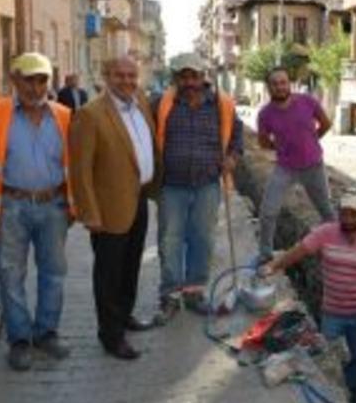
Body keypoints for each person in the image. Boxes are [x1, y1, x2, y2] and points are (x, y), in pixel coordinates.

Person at [0, 52, 74, 372]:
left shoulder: (64, 116)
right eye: (29, 79)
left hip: (53, 205)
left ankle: (46, 333)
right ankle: (19, 340)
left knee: (54, 273)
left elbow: (76, 164)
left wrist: (73, 204)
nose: (35, 86)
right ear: (15, 79)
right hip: (10, 206)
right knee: (10, 275)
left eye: (42, 80)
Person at [261, 192, 356, 395]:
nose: (347, 219)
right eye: (343, 213)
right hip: (333, 311)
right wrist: (273, 266)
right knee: (327, 354)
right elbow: (299, 251)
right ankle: (330, 392)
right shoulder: (326, 233)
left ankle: (349, 392)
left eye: (353, 214)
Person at [70, 57, 158, 360]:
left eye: (132, 75)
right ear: (105, 76)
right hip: (108, 209)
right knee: (108, 274)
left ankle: (124, 316)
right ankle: (111, 336)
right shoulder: (90, 114)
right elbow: (80, 170)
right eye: (119, 75)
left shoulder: (141, 103)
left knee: (131, 266)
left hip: (139, 199)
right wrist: (89, 213)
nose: (126, 81)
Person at [154, 54, 243, 322]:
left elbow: (237, 138)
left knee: (202, 240)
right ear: (176, 78)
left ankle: (193, 292)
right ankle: (170, 295)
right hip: (172, 186)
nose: (190, 82)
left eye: (194, 76)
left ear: (203, 76)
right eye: (184, 76)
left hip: (207, 185)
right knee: (169, 241)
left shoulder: (221, 105)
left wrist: (232, 158)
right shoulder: (163, 104)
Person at [257, 67, 335, 260]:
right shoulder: (265, 114)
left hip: (313, 166)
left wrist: (312, 140)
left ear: (288, 83)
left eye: (283, 82)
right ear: (269, 88)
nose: (280, 87)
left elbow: (325, 123)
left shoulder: (307, 101)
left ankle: (336, 247)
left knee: (326, 211)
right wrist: (280, 147)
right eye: (275, 84)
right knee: (268, 212)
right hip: (285, 168)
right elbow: (263, 141)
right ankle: (265, 253)